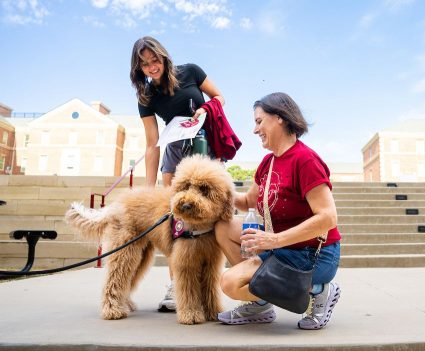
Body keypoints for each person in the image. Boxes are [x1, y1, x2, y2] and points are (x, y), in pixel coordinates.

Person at [214, 92, 341, 330]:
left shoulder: (305, 160)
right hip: (280, 247)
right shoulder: (267, 163)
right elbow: (247, 202)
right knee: (225, 226)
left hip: (312, 253)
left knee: (230, 283)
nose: (255, 129)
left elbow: (328, 217)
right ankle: (261, 302)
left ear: (280, 118)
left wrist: (273, 240)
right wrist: (213, 184)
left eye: (259, 121)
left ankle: (320, 290)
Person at [129, 36, 225, 312]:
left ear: (164, 56)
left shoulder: (190, 71)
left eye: (154, 60)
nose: (151, 67)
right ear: (139, 69)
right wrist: (149, 188)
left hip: (204, 146)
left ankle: (209, 288)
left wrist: (205, 110)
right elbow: (151, 143)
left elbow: (219, 97)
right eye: (144, 64)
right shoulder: (146, 96)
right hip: (174, 151)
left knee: (211, 223)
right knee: (177, 225)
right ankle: (175, 286)